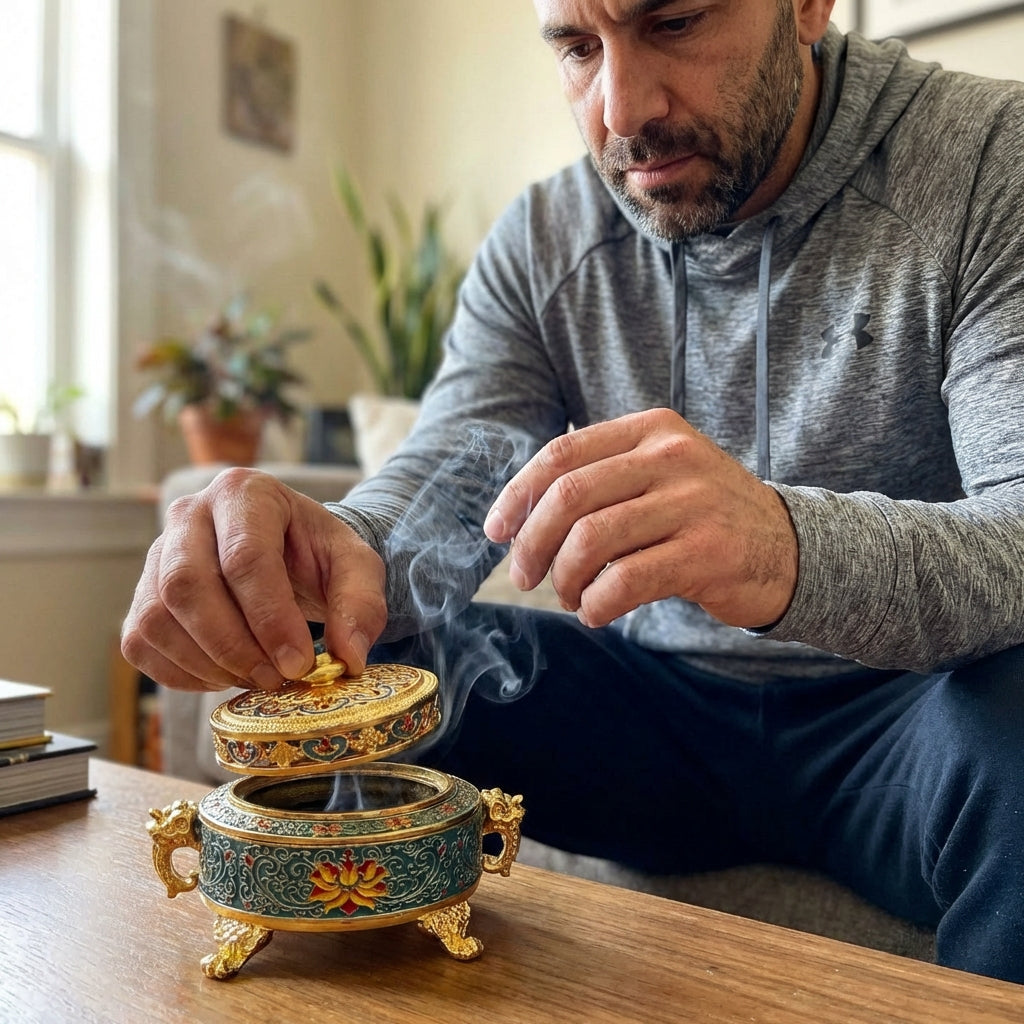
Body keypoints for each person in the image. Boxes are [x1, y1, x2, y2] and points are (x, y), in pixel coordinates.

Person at [121, 0, 1024, 983]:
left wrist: (782, 545)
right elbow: (453, 473)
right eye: (577, 46)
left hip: (915, 716)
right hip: (653, 717)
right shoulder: (545, 237)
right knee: (370, 652)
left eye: (673, 23)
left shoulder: (986, 160)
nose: (621, 108)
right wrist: (327, 553)